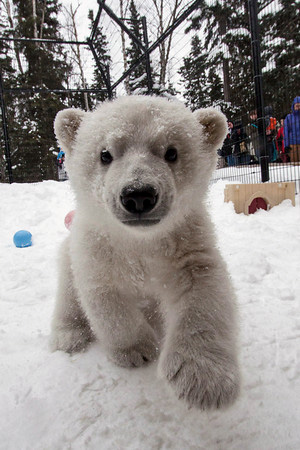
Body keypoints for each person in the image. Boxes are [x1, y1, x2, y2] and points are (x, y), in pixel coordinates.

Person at [284, 96, 300, 162]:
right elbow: (286, 132)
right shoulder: (289, 117)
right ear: (293, 106)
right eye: (297, 106)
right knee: (294, 164)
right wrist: (286, 145)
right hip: (292, 144)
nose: (298, 107)